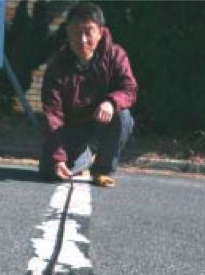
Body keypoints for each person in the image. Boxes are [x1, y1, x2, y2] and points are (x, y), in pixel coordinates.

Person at [39, 1, 137, 187]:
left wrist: (111, 102)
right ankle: (84, 157)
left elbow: (129, 89)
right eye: (76, 32)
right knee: (49, 172)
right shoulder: (57, 66)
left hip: (103, 124)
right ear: (67, 32)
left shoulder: (116, 56)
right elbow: (52, 115)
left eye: (88, 31)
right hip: (71, 129)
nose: (82, 39)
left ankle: (102, 170)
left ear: (100, 32)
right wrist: (58, 157)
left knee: (124, 117)